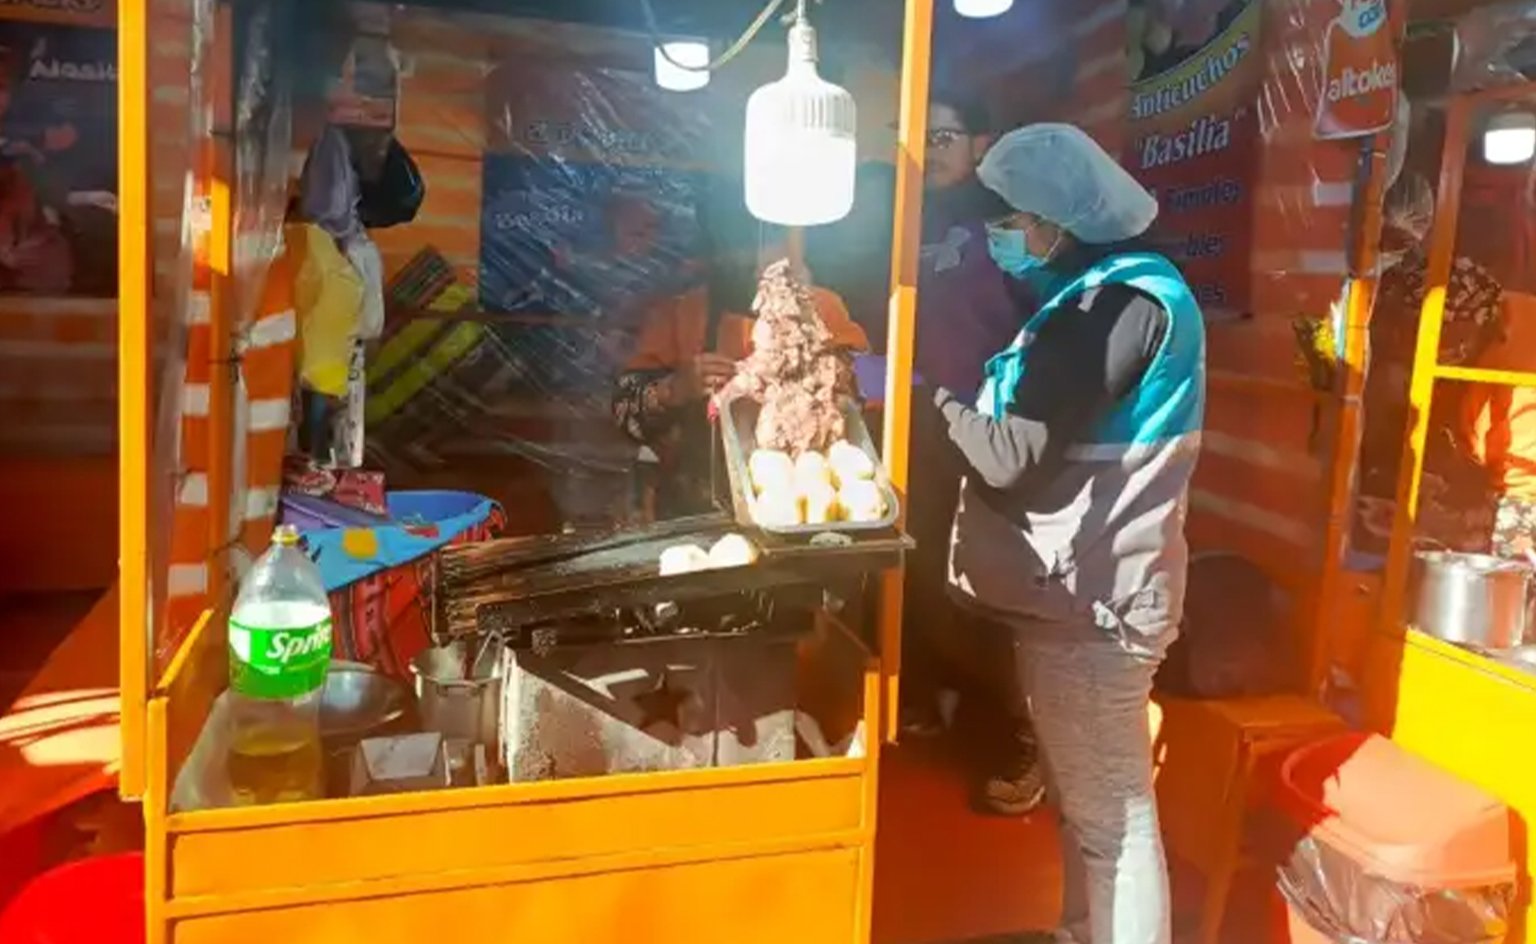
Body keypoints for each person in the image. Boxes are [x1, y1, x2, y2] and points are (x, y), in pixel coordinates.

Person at [934, 123, 1204, 944]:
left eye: (1010, 217)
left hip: (1099, 603)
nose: (999, 232)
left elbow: (1013, 456)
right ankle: (1082, 931)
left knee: (1115, 820)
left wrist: (926, 399)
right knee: (1091, 810)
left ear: (1058, 219)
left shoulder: (1117, 305)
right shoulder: (1105, 293)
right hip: (1082, 590)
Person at [613, 189, 867, 519]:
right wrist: (672, 389)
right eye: (733, 244)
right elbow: (623, 413)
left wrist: (833, 381)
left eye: (761, 241)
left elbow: (869, 402)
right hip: (698, 512)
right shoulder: (680, 312)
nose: (748, 259)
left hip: (806, 509)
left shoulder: (822, 309)